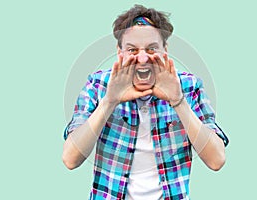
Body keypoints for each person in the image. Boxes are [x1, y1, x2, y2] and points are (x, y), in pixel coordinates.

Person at [62, 4, 229, 200]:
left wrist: (178, 101)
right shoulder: (98, 85)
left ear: (165, 50)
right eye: (132, 50)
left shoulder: (189, 86)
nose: (142, 58)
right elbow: (70, 159)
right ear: (119, 52)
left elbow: (216, 160)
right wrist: (109, 101)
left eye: (151, 48)